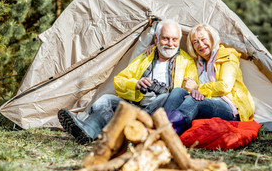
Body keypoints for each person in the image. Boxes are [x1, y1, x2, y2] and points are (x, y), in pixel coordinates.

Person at [58, 19, 198, 144]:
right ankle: (88, 131)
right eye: (165, 39)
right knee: (104, 100)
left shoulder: (187, 62)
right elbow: (119, 80)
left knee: (165, 95)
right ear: (156, 39)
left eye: (174, 39)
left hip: (160, 111)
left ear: (179, 40)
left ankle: (115, 133)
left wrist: (191, 89)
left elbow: (189, 93)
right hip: (136, 106)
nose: (170, 44)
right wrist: (135, 84)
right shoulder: (145, 57)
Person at [163, 23, 255, 135]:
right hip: (208, 101)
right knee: (178, 91)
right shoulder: (198, 62)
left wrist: (197, 89)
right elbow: (177, 57)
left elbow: (224, 87)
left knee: (193, 101)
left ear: (212, 38)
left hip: (232, 108)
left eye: (203, 39)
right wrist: (154, 49)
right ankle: (161, 124)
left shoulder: (228, 56)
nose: (200, 45)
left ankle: (168, 132)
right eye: (195, 42)